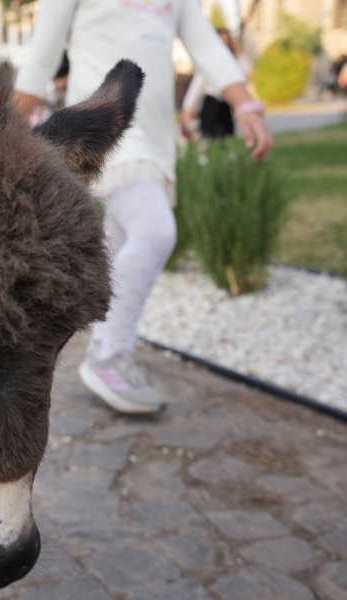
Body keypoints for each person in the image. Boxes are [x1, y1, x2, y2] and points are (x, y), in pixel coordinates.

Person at [14, 0, 272, 414]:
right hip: (103, 128)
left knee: (120, 243)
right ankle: (109, 356)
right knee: (155, 231)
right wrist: (1, 133)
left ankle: (104, 345)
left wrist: (243, 104)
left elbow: (205, 46)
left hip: (153, 137)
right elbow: (42, 55)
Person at [180, 29, 252, 139]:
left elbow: (246, 73)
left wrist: (238, 51)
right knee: (209, 134)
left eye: (226, 42)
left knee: (227, 135)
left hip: (225, 104)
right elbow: (197, 85)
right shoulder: (207, 61)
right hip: (211, 103)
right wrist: (188, 107)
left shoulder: (233, 61)